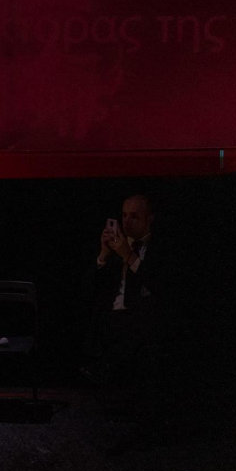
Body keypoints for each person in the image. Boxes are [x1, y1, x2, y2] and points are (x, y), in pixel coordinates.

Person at [84, 194, 169, 453]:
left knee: (141, 339)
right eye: (123, 215)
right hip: (113, 316)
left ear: (149, 219)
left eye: (134, 216)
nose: (127, 222)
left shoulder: (156, 248)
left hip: (142, 318)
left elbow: (159, 285)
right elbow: (93, 289)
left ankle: (137, 425)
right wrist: (103, 254)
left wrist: (129, 256)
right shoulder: (118, 246)